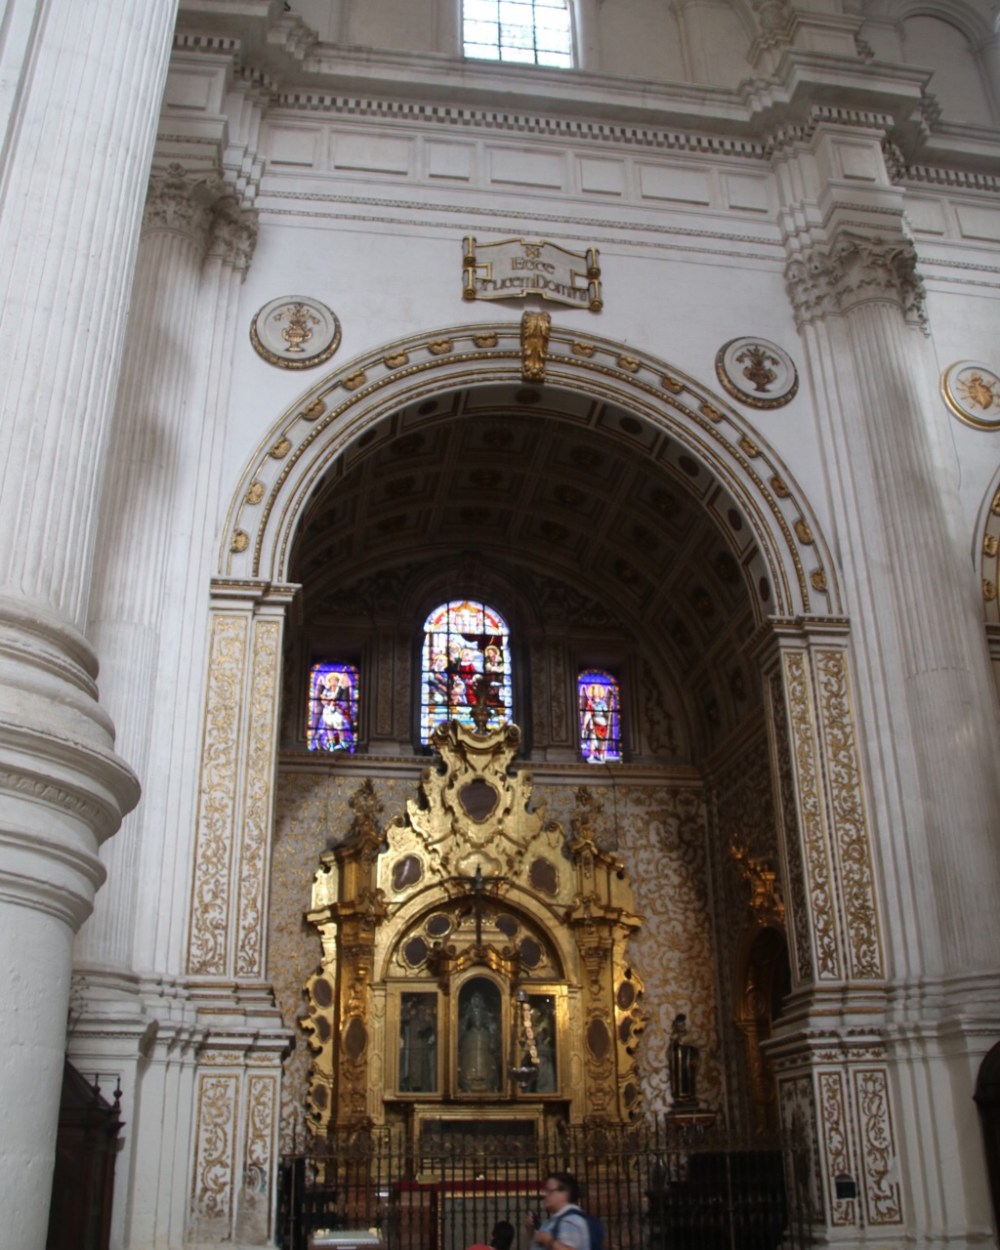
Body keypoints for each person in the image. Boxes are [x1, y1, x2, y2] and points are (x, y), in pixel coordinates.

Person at [525, 1173, 590, 1250]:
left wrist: (548, 1240)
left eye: (549, 1191)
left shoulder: (570, 1221)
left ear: (564, 1193)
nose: (545, 1195)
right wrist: (531, 1231)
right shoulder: (553, 1221)